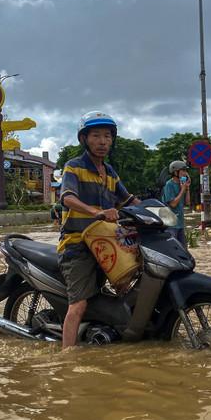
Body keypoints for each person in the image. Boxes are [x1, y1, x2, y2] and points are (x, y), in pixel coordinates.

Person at [57, 111, 141, 348]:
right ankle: (67, 356)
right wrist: (95, 211)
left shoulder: (111, 172)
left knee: (127, 283)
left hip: (106, 241)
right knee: (79, 304)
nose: (103, 141)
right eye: (96, 136)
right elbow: (67, 197)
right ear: (84, 139)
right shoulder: (73, 167)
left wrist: (156, 212)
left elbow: (128, 200)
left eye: (107, 136)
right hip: (77, 245)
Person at [161, 160, 190, 247]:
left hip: (180, 223)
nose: (185, 173)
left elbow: (188, 202)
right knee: (174, 249)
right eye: (183, 170)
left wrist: (187, 188)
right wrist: (182, 190)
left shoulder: (182, 185)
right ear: (175, 172)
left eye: (186, 171)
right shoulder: (169, 185)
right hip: (170, 224)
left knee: (184, 250)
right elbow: (173, 204)